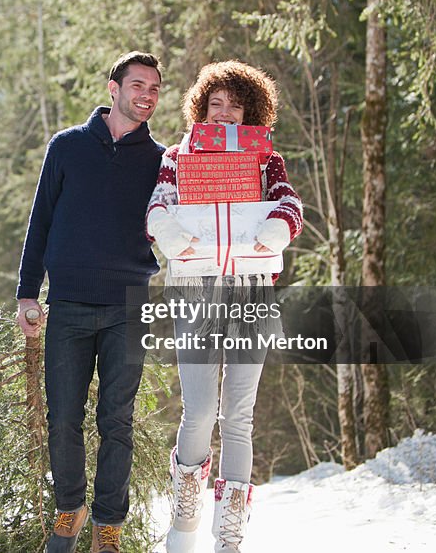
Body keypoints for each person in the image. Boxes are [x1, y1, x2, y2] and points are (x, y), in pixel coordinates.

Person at [145, 61, 303, 553]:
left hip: (252, 287)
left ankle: (230, 532)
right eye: (217, 103)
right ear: (202, 107)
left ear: (250, 111)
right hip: (196, 287)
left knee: (239, 412)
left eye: (236, 105)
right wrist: (174, 236)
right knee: (199, 410)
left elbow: (289, 203)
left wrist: (275, 227)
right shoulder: (178, 155)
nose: (226, 112)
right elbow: (158, 206)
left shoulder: (264, 159)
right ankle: (185, 519)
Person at [16, 51, 166, 553]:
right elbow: (40, 221)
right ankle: (69, 508)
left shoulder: (162, 161)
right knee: (63, 415)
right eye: (137, 85)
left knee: (116, 419)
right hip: (72, 303)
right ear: (113, 88)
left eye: (154, 89)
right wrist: (26, 293)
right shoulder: (67, 147)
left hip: (129, 304)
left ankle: (108, 524)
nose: (146, 96)